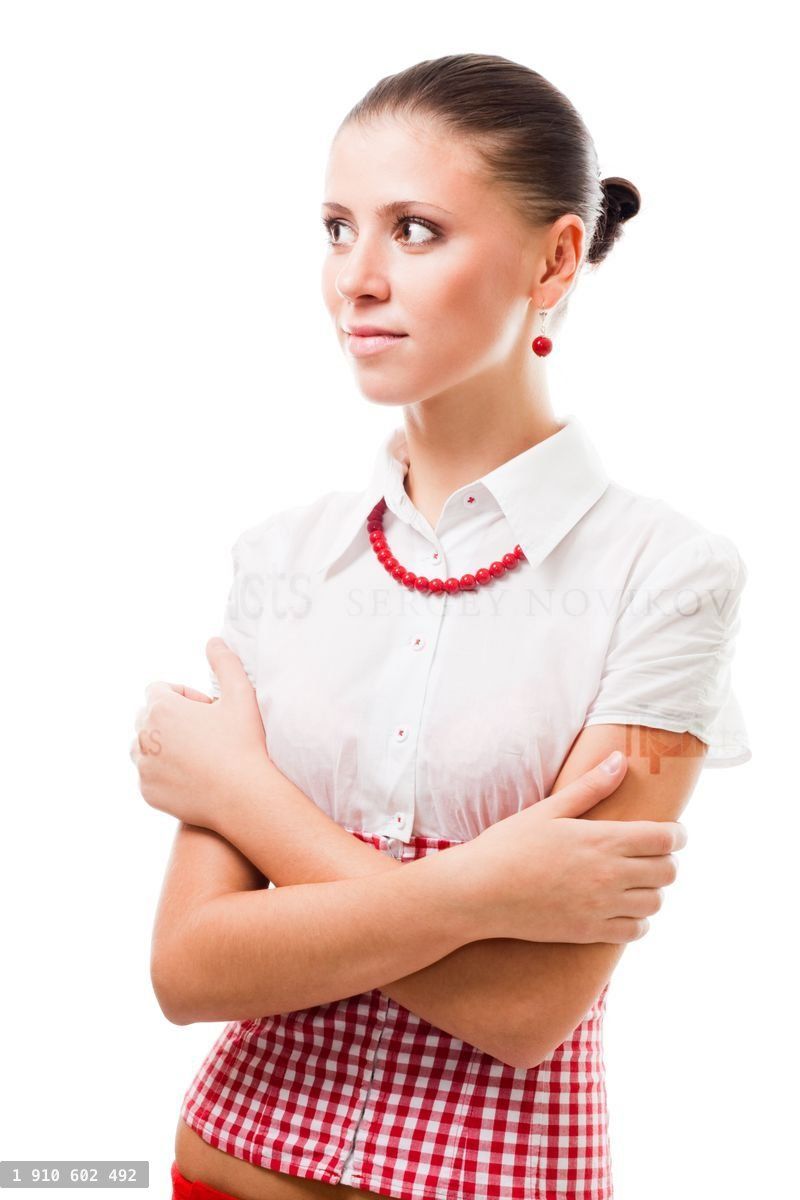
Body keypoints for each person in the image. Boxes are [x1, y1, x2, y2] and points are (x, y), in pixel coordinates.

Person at [131, 53, 750, 1200]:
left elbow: (527, 1009)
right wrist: (487, 891)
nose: (354, 279)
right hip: (222, 1168)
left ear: (555, 257)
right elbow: (187, 969)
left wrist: (251, 806)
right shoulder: (281, 559)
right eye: (334, 228)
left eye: (413, 230)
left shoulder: (666, 575)